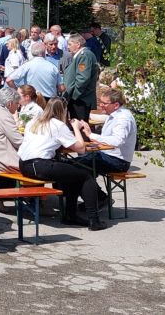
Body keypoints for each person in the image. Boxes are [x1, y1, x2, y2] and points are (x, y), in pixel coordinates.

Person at [18, 97, 107, 230]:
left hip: (24, 165)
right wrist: (76, 128)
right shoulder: (58, 125)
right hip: (40, 165)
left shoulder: (33, 121)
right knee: (86, 175)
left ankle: (70, 215)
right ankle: (94, 220)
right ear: (64, 111)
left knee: (73, 173)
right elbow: (81, 149)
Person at [75, 86, 136, 176]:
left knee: (74, 166)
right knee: (75, 164)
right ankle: (89, 188)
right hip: (108, 156)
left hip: (118, 162)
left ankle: (94, 190)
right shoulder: (115, 114)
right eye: (100, 102)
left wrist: (91, 135)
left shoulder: (123, 118)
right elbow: (101, 119)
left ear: (116, 105)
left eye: (104, 103)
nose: (101, 105)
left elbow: (118, 141)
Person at [63, 34, 99, 122]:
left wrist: (74, 95)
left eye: (70, 44)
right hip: (79, 98)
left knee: (80, 126)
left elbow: (83, 78)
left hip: (81, 99)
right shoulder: (82, 55)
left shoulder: (84, 56)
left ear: (78, 44)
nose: (68, 47)